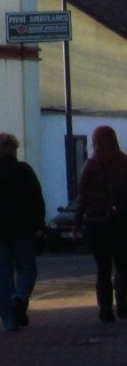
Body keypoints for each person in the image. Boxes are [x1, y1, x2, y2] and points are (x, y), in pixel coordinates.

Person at [0, 131, 45, 330]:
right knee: (27, 269)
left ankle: (9, 322)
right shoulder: (24, 171)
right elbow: (37, 200)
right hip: (24, 230)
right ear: (14, 149)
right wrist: (39, 225)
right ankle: (20, 296)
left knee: (2, 275)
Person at [79, 124, 127, 322]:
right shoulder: (124, 163)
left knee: (103, 268)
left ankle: (105, 310)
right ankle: (123, 305)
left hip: (96, 223)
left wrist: (78, 219)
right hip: (121, 221)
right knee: (123, 266)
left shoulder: (90, 165)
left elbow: (83, 196)